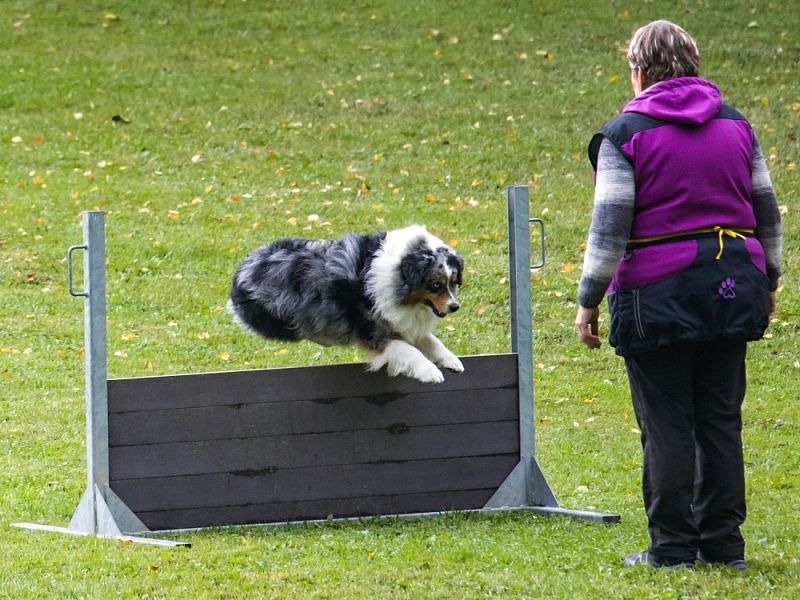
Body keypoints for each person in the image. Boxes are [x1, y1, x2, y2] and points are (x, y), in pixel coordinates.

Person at [575, 20, 782, 569]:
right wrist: (771, 280)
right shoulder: (738, 127)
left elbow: (611, 224)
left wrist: (588, 297)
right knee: (719, 419)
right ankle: (723, 546)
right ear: (693, 65)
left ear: (639, 73)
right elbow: (767, 213)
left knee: (666, 423)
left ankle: (671, 547)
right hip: (732, 285)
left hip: (655, 296)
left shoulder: (624, 134)